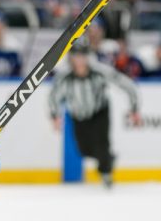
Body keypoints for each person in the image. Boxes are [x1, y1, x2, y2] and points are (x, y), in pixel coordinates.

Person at [49, 40, 141, 187]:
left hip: (99, 113)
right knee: (83, 150)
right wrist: (54, 116)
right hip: (78, 116)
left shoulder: (100, 71)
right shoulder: (64, 76)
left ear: (88, 56)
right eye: (76, 56)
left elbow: (127, 85)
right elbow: (54, 96)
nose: (79, 60)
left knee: (101, 145)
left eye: (82, 56)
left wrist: (134, 109)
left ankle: (105, 172)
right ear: (71, 58)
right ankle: (108, 159)